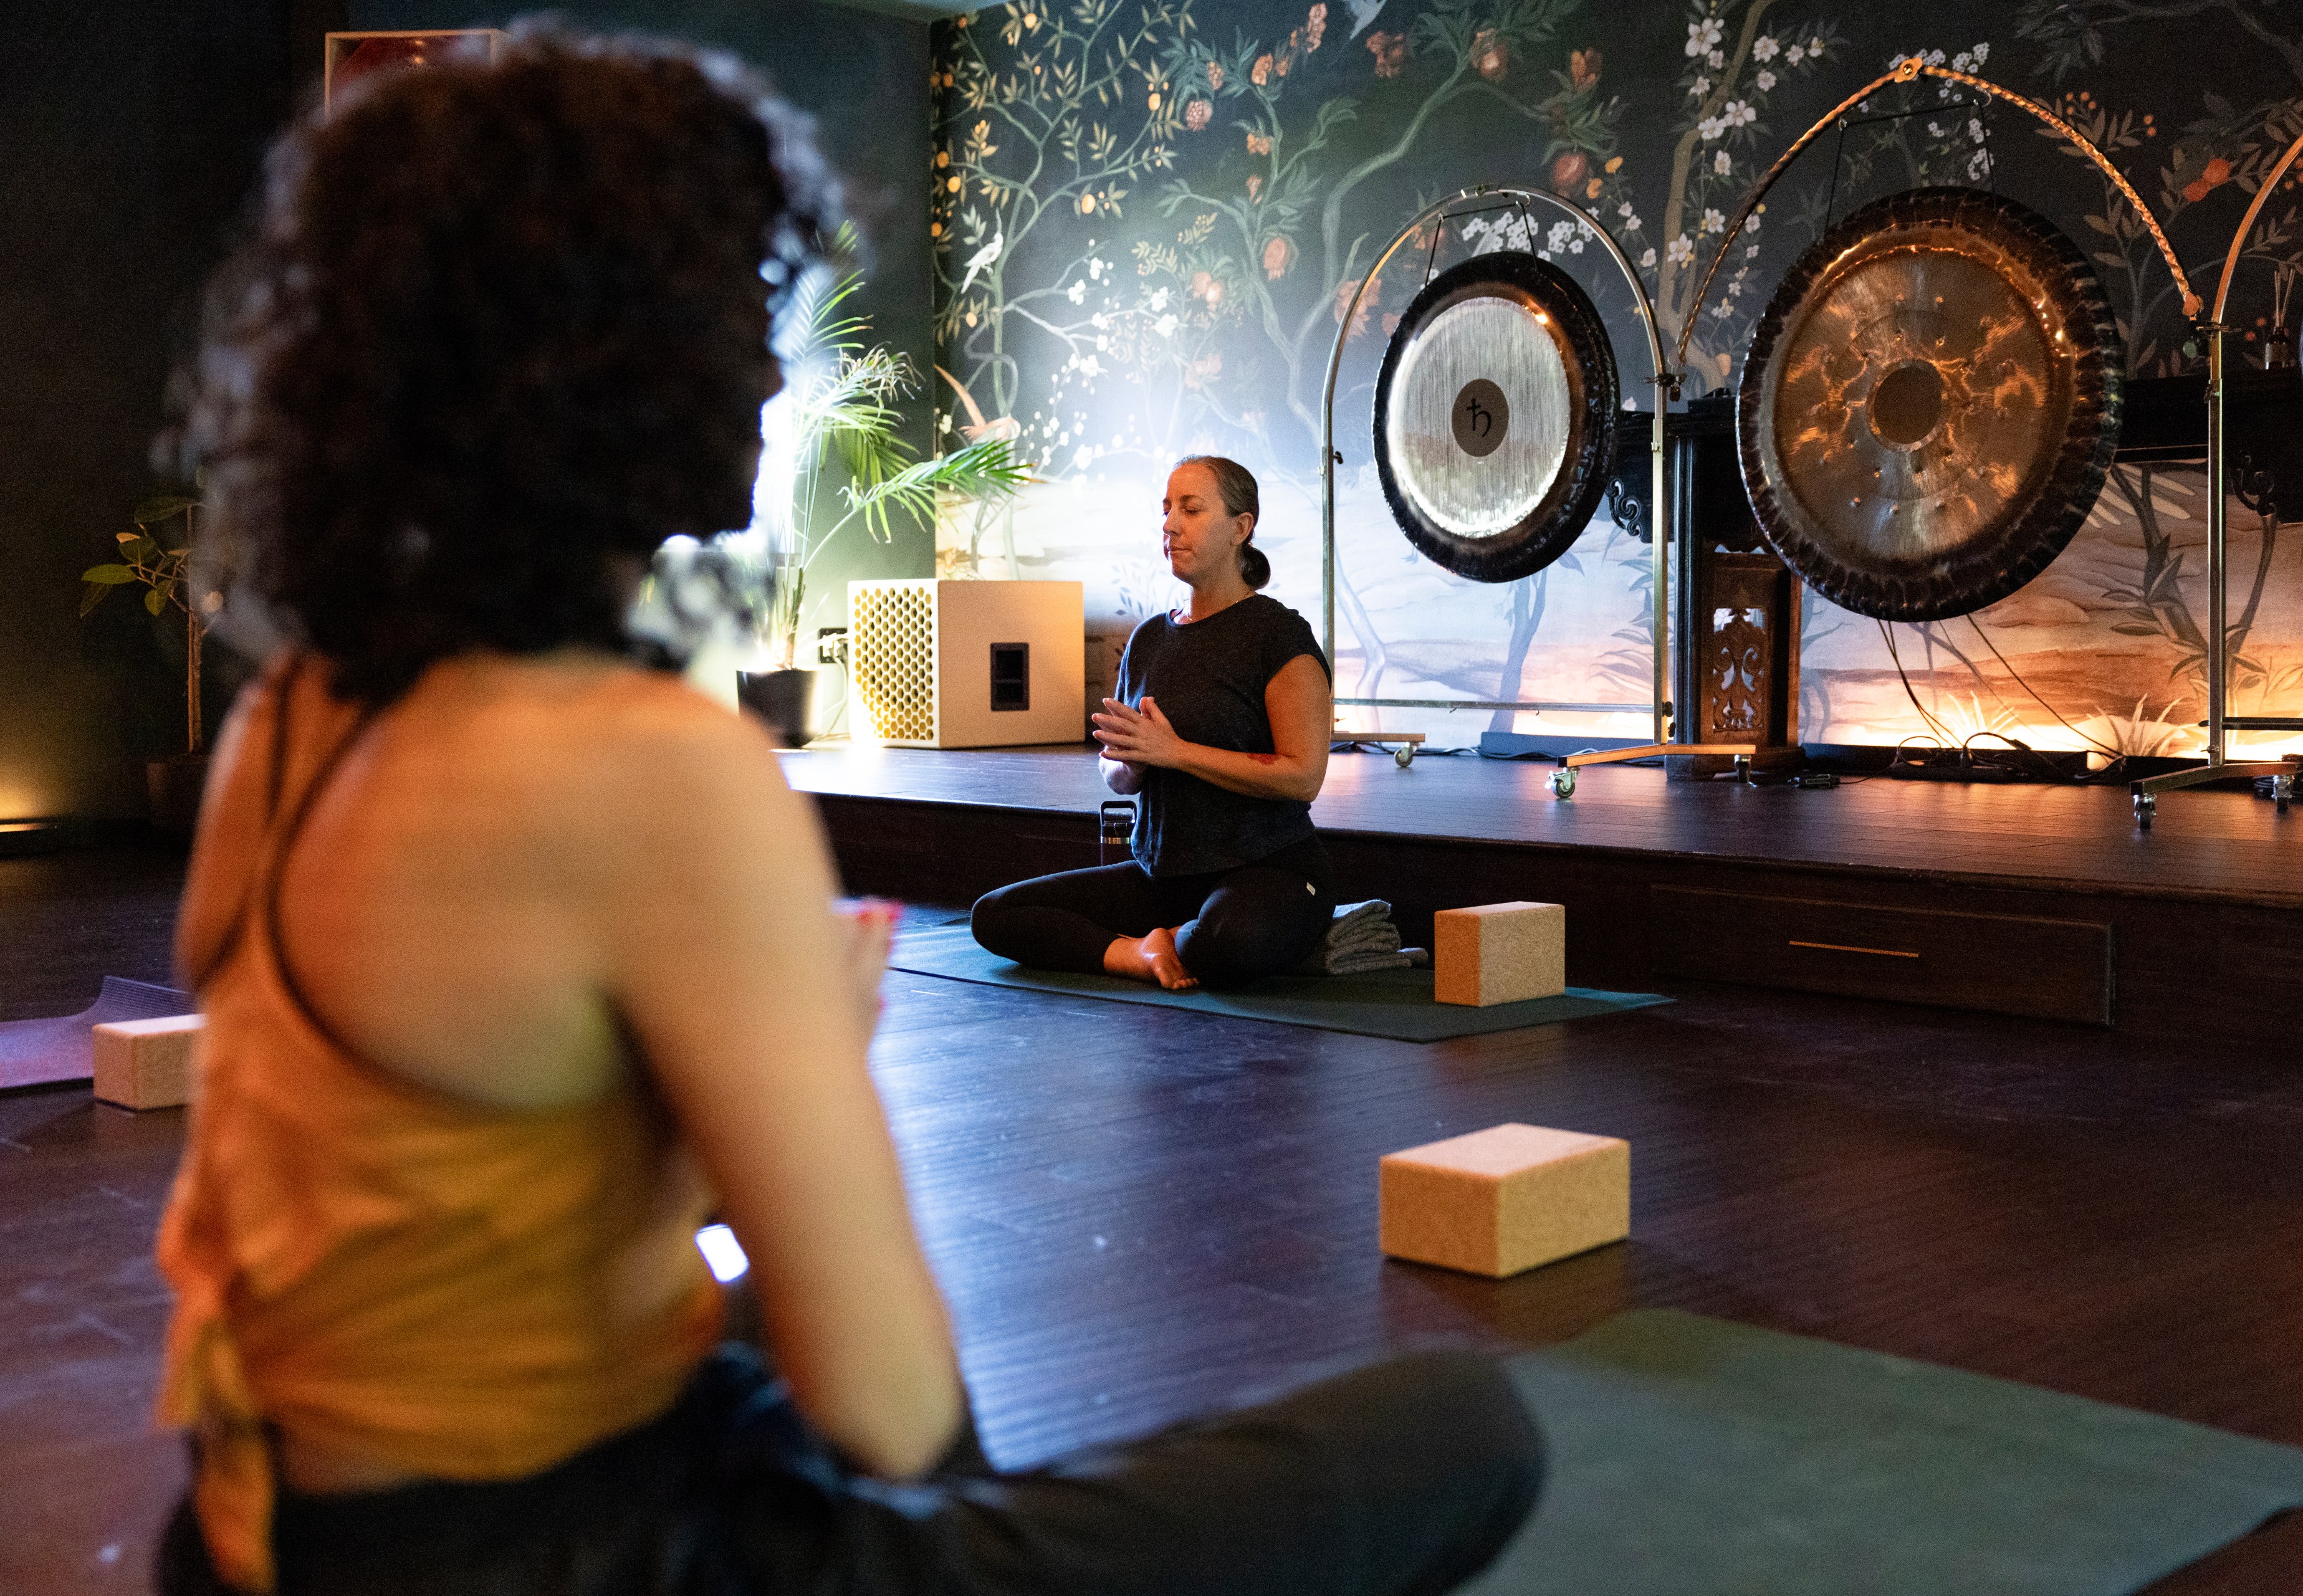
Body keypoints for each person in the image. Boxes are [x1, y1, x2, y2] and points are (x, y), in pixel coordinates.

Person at [150, 29, 1543, 1596]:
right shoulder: (649, 766)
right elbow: (892, 1408)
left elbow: (441, 1178)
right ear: (618, 354)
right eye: (750, 308)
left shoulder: (291, 721)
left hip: (249, 1535)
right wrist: (803, 1046)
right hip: (572, 1557)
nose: (772, 364)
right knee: (1464, 1417)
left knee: (743, 1342)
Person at [970, 458, 1338, 990]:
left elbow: (1303, 776)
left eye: (1190, 509)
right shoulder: (1148, 638)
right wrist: (1131, 765)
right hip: (1162, 873)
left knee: (1223, 943)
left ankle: (1181, 940)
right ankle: (1140, 952)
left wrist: (1175, 752)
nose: (1170, 524)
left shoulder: (1277, 636)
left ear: (1241, 527)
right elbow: (1117, 771)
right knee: (997, 914)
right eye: (1166, 509)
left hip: (1270, 868)